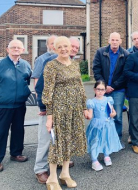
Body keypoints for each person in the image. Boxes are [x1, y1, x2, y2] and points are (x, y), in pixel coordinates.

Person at [42, 36, 88, 189]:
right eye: (60, 47)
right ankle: (52, 178)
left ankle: (65, 174)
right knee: (57, 143)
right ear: (54, 49)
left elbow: (80, 87)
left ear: (71, 48)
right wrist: (50, 116)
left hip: (74, 109)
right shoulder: (51, 66)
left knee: (70, 140)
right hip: (59, 109)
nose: (63, 49)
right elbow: (47, 92)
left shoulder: (75, 64)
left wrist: (84, 107)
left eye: (66, 46)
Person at [34, 37, 80, 184]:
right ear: (56, 48)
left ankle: (62, 168)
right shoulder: (52, 63)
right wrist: (44, 109)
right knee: (47, 141)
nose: (71, 49)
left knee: (63, 139)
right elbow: (42, 87)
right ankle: (40, 169)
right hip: (50, 109)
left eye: (75, 47)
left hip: (69, 110)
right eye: (69, 46)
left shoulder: (73, 64)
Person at [0, 40, 31, 173]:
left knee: (18, 130)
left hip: (19, 105)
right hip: (2, 105)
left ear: (22, 50)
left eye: (18, 47)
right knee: (0, 132)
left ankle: (16, 153)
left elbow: (27, 81)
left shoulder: (25, 65)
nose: (16, 49)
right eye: (13, 47)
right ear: (8, 49)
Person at [92, 32, 129, 147]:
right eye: (112, 40)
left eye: (116, 40)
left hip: (118, 90)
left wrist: (114, 86)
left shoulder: (125, 54)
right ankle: (102, 140)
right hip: (102, 90)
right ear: (108, 41)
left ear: (120, 41)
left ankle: (116, 140)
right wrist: (104, 86)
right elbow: (96, 69)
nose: (114, 42)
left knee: (117, 116)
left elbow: (125, 73)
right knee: (102, 115)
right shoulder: (100, 52)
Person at [86, 80, 122, 171]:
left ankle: (106, 155)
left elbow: (113, 111)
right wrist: (85, 112)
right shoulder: (92, 102)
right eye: (98, 89)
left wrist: (113, 114)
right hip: (97, 124)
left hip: (107, 123)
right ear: (94, 90)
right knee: (96, 140)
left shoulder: (108, 100)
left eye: (102, 90)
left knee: (106, 139)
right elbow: (90, 115)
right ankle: (94, 160)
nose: (100, 92)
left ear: (105, 90)